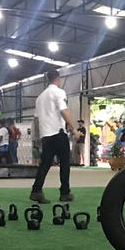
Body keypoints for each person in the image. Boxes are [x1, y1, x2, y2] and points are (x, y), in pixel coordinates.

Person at [31, 70, 77, 204]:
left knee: (45, 164)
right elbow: (64, 110)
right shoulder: (59, 92)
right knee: (64, 163)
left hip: (46, 135)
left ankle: (36, 191)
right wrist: (74, 129)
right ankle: (65, 192)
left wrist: (38, 136)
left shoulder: (40, 97)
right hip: (58, 133)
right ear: (58, 78)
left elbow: (37, 118)